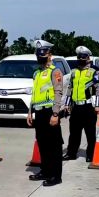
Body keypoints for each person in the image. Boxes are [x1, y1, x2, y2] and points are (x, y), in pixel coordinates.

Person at [27, 40, 64, 186]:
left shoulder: (55, 72)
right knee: (42, 143)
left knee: (54, 146)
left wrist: (55, 114)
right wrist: (30, 112)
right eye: (38, 54)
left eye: (43, 53)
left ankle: (56, 175)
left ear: (49, 55)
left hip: (50, 112)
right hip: (39, 113)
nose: (40, 56)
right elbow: (34, 94)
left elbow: (58, 93)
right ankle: (45, 171)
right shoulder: (36, 73)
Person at [62, 46, 99, 162]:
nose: (81, 59)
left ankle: (90, 154)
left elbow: (98, 88)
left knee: (90, 133)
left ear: (89, 58)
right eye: (79, 57)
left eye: (83, 57)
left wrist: (98, 106)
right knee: (74, 132)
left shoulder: (94, 71)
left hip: (89, 107)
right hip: (76, 107)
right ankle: (71, 153)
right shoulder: (74, 72)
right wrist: (67, 105)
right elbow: (70, 89)